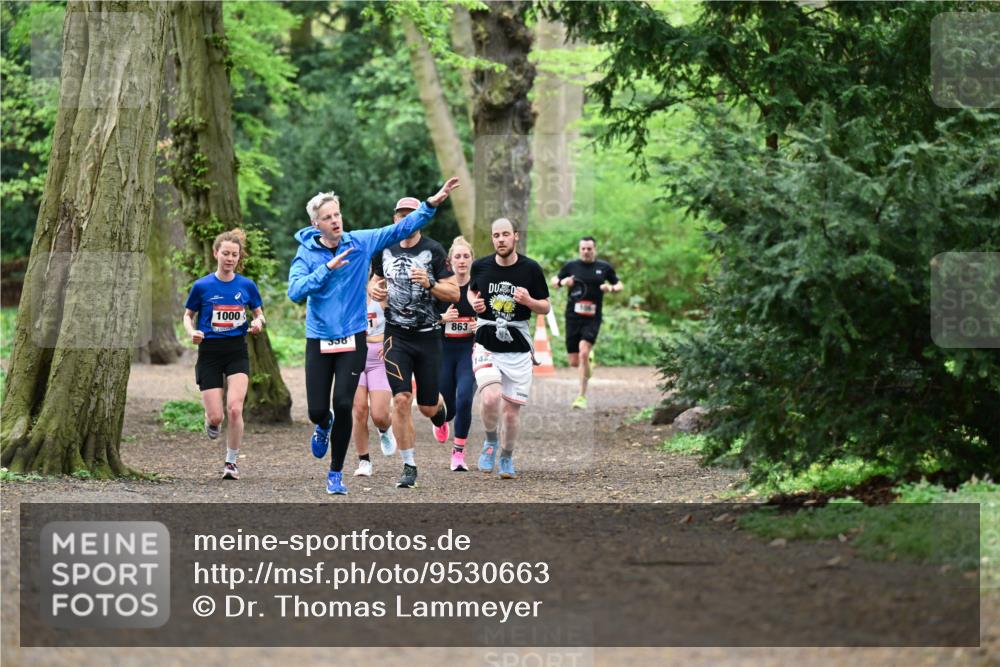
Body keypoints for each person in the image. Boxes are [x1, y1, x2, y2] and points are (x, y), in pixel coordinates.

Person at [288, 177, 460, 495]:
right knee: (317, 410)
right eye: (328, 218)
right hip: (320, 337)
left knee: (345, 404)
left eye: (337, 214)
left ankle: (335, 475)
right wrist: (326, 269)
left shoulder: (360, 242)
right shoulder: (307, 253)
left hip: (354, 337)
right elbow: (295, 291)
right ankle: (321, 425)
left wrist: (431, 204)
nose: (335, 220)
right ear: (316, 224)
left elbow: (397, 231)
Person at [370, 197, 460, 489]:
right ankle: (409, 465)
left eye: (412, 216)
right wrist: (373, 288)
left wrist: (431, 284)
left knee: (427, 406)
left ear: (420, 219)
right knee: (401, 399)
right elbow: (373, 281)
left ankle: (440, 414)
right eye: (401, 216)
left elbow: (455, 293)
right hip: (396, 336)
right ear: (395, 219)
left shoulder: (433, 250)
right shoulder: (383, 248)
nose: (406, 221)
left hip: (429, 335)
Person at [468, 218, 550, 479]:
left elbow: (546, 307)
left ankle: (506, 456)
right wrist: (475, 305)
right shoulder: (480, 266)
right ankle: (491, 440)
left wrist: (529, 301)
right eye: (495, 235)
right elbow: (472, 292)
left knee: (511, 415)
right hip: (486, 339)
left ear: (515, 236)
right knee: (490, 397)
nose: (500, 239)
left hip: (517, 344)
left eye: (505, 234)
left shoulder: (531, 269)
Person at [182, 229, 265, 481]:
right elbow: (187, 316)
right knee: (217, 415)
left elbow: (259, 313)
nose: (229, 258)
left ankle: (231, 462)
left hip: (236, 350)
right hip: (209, 352)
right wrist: (192, 332)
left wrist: (259, 322)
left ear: (239, 258)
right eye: (226, 253)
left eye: (234, 255)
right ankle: (212, 421)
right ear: (216, 253)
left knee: (235, 409)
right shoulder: (202, 286)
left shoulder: (246, 285)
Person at [551, 236, 623, 409]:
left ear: (594, 249)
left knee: (583, 353)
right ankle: (587, 360)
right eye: (583, 248)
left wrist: (611, 288)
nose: (586, 251)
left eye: (589, 248)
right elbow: (554, 281)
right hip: (572, 317)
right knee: (574, 362)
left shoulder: (603, 268)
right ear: (579, 249)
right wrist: (563, 282)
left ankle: (581, 396)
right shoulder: (571, 266)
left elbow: (620, 284)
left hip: (592, 317)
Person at [435, 236, 478, 471]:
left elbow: (493, 318)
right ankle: (441, 420)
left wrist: (479, 325)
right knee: (447, 407)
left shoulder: (479, 288)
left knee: (465, 400)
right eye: (457, 257)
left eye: (466, 256)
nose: (462, 261)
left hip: (468, 353)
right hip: (443, 352)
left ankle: (458, 454)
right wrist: (442, 319)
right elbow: (426, 319)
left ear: (472, 260)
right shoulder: (441, 288)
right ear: (450, 262)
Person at [350, 274, 398, 477]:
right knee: (359, 410)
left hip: (379, 356)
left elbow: (398, 319)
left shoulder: (383, 286)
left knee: (378, 414)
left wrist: (391, 342)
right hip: (354, 354)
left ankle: (385, 429)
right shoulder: (348, 288)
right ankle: (364, 461)